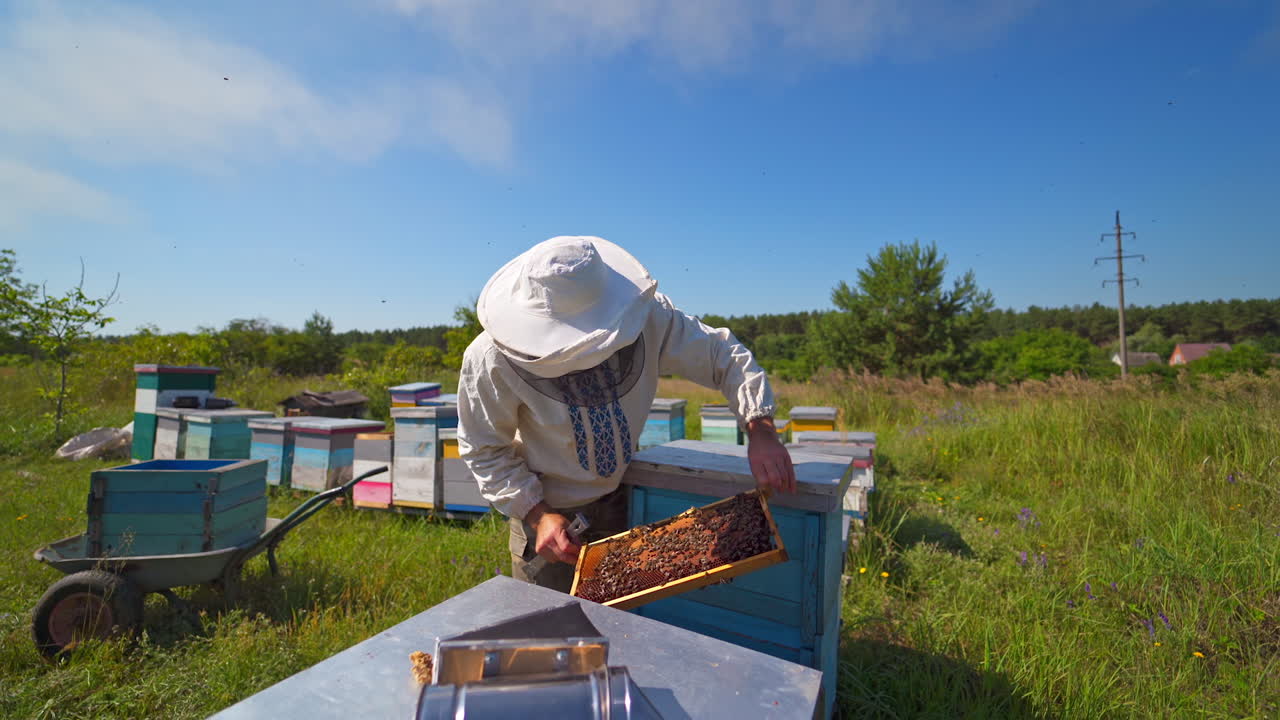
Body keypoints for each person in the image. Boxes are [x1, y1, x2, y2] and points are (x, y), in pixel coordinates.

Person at [457, 236, 796, 592]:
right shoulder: (488, 359)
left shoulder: (650, 317)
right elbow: (484, 450)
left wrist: (760, 428)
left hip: (621, 503)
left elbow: (721, 354)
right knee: (550, 636)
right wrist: (537, 514)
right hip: (547, 527)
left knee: (625, 636)